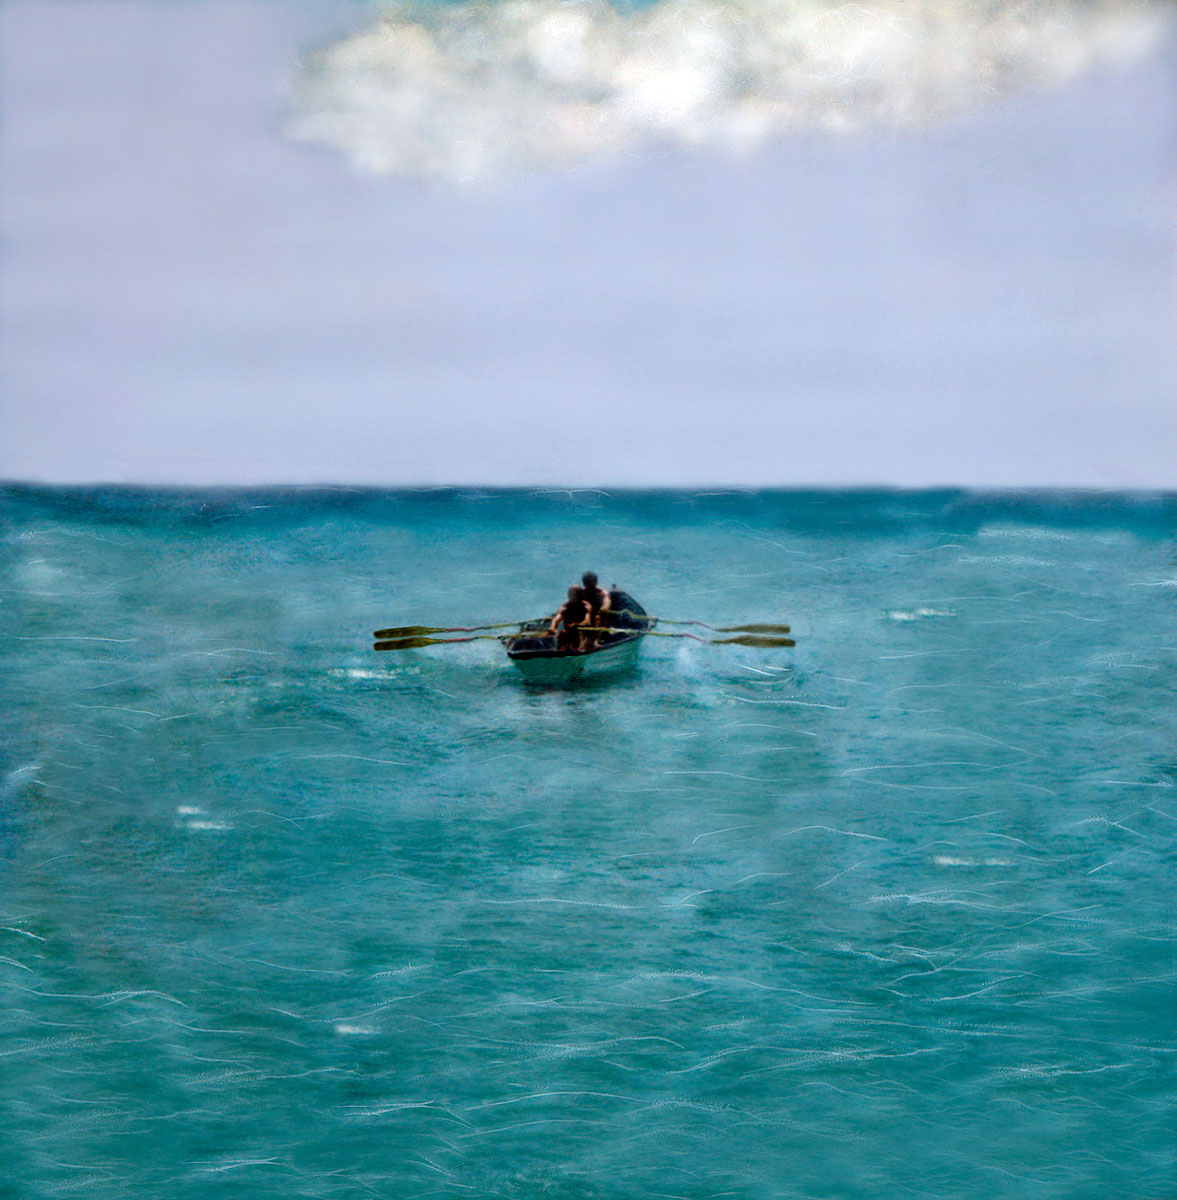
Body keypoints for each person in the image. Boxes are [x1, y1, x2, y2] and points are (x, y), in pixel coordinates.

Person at [549, 585, 591, 651]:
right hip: (569, 633)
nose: (571, 596)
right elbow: (557, 619)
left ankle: (581, 648)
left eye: (574, 594)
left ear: (580, 594)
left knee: (580, 634)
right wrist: (552, 628)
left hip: (582, 632)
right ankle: (561, 650)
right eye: (570, 594)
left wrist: (578, 625)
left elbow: (587, 621)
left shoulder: (586, 606)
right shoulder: (564, 607)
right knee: (563, 633)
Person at [580, 571, 611, 638]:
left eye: (590, 581)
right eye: (586, 582)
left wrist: (604, 607)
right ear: (583, 583)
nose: (589, 584)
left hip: (599, 621)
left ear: (596, 582)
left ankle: (596, 638)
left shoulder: (603, 593)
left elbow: (606, 603)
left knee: (601, 614)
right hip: (586, 621)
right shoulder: (581, 593)